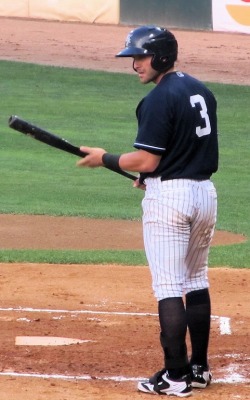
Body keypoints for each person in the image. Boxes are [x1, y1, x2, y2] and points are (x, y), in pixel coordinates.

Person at [77, 25, 218, 397]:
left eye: (140, 57)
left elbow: (148, 158)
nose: (134, 64)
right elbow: (181, 150)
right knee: (196, 280)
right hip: (204, 193)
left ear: (161, 57)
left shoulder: (158, 99)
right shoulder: (200, 90)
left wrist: (103, 158)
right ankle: (199, 369)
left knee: (169, 287)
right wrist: (148, 175)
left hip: (171, 199)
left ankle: (174, 377)